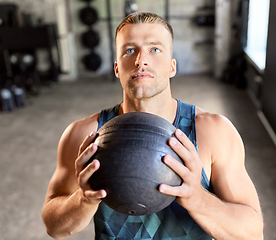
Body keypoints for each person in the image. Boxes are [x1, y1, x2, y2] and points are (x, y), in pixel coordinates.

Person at [42, 12, 263, 240]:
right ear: (117, 68)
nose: (141, 60)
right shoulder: (85, 136)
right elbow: (54, 227)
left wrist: (198, 199)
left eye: (155, 49)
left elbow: (252, 234)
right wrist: (83, 200)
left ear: (172, 67)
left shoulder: (214, 133)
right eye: (130, 50)